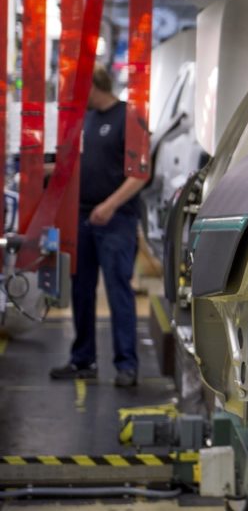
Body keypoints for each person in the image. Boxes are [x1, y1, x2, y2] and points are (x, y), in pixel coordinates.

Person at [50, 67, 149, 387]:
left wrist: (110, 205)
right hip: (81, 217)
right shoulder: (87, 120)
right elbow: (75, 164)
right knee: (81, 290)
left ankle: (126, 365)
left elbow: (140, 173)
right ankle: (83, 360)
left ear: (94, 85)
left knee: (119, 290)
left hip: (117, 219)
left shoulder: (129, 118)